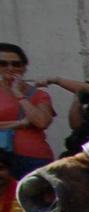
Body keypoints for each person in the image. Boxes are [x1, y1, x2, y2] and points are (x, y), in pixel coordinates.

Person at [0, 42, 57, 180]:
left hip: (34, 158)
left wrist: (18, 94)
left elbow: (42, 122)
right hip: (2, 161)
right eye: (3, 64)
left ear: (24, 67)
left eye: (16, 64)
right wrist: (21, 123)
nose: (10, 68)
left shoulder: (38, 94)